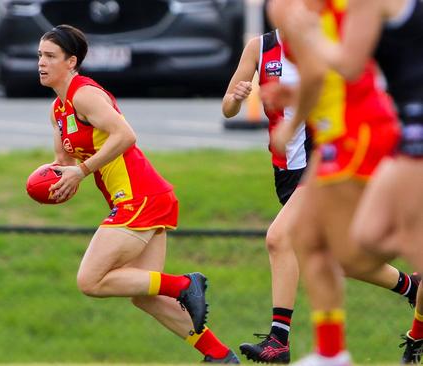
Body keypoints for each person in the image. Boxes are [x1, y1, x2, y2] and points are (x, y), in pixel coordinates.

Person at [38, 24, 238, 363]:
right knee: (144, 294)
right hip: (147, 197)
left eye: (49, 56)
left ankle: (183, 285)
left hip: (139, 196)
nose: (41, 62)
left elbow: (126, 135)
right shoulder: (58, 109)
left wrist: (82, 171)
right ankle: (219, 356)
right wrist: (54, 180)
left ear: (71, 62)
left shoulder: (84, 95)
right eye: (39, 55)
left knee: (90, 281)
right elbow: (64, 162)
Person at [266, 0, 419, 365]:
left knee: (345, 249)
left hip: (358, 134)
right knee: (308, 238)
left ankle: (333, 351)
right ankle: (331, 352)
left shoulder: (287, 8)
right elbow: (320, 77)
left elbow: (323, 72)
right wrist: (298, 100)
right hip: (337, 135)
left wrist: (290, 123)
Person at [222, 28, 309, 363]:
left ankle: (279, 340)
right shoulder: (259, 47)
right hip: (286, 169)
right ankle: (410, 287)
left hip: (324, 162)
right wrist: (238, 97)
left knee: (278, 238)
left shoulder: (325, 40)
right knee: (337, 258)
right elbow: (227, 108)